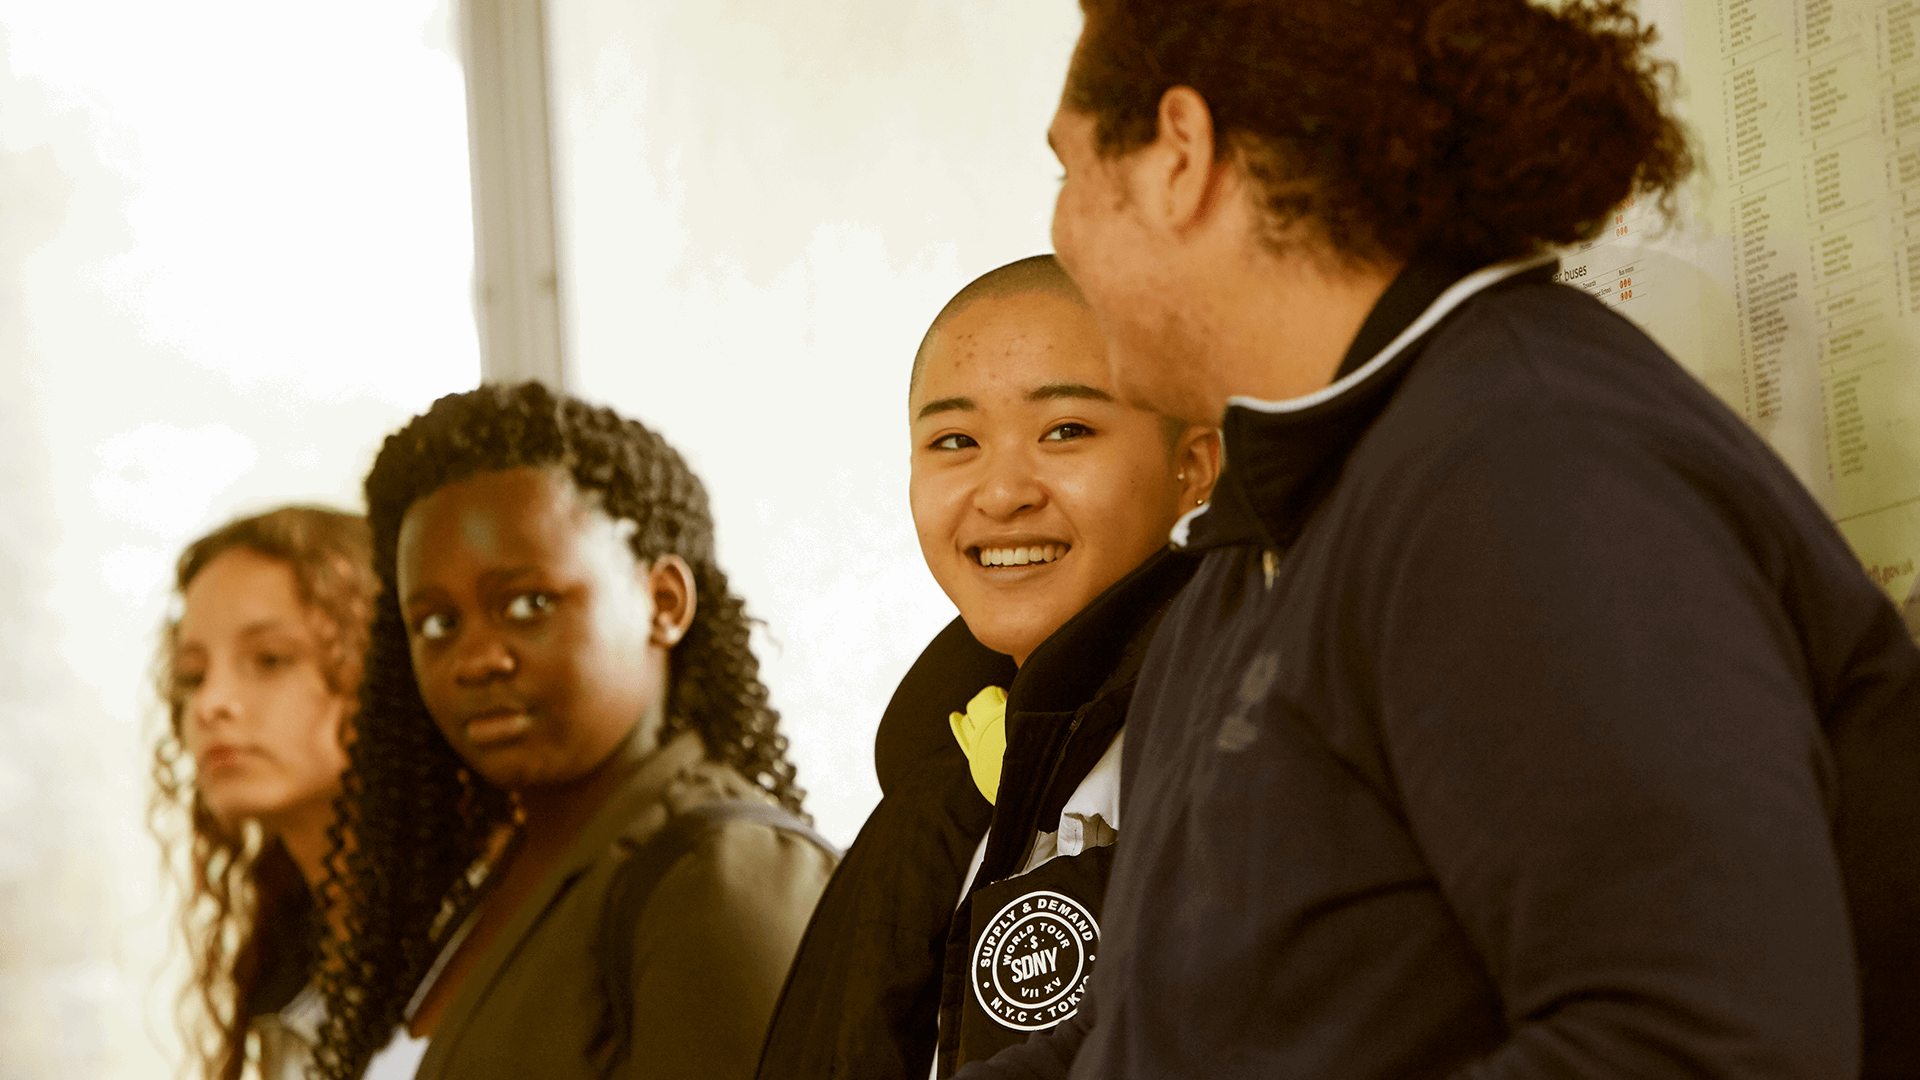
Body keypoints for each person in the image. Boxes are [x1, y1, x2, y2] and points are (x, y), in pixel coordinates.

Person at [960, 0, 1920, 1077]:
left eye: (1071, 175)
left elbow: (1699, 1041)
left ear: (1180, 157)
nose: (1060, 235)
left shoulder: (1533, 467)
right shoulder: (1249, 557)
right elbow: (1159, 1037)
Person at [756, 254, 1220, 1078]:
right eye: (954, 441)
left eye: (1066, 431)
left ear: (1196, 466)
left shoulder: (1239, 747)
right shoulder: (948, 778)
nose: (1002, 492)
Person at [309, 382, 837, 1080]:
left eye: (528, 604)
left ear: (664, 602)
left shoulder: (719, 875)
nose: (476, 658)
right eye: (437, 622)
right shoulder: (496, 874)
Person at [151, 506, 376, 1080]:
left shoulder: (483, 938)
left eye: (269, 660)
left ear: (376, 669)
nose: (211, 704)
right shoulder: (290, 951)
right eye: (193, 675)